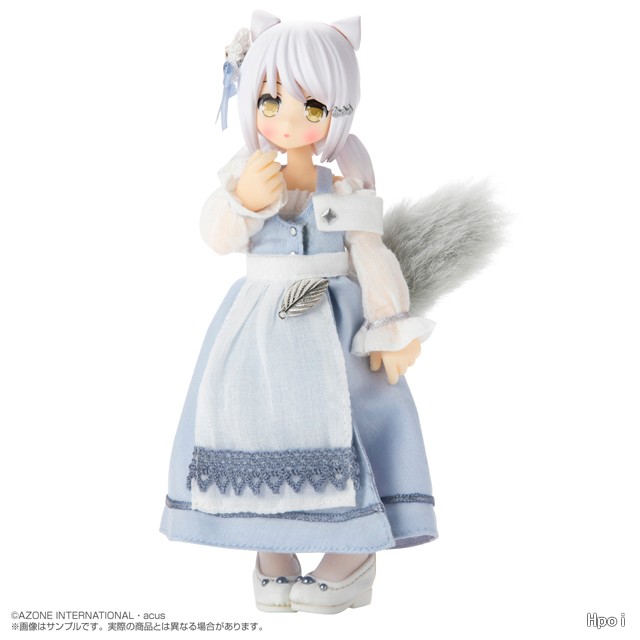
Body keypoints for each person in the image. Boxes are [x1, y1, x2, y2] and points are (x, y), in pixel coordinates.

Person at [160, 11, 439, 614]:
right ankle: (271, 549)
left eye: (311, 107)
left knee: (347, 426)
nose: (287, 120)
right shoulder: (245, 175)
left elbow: (372, 255)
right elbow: (216, 233)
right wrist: (243, 202)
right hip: (256, 326)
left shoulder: (344, 189)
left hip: (335, 326)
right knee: (252, 422)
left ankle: (350, 554)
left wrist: (393, 326)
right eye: (270, 100)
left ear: (337, 113)